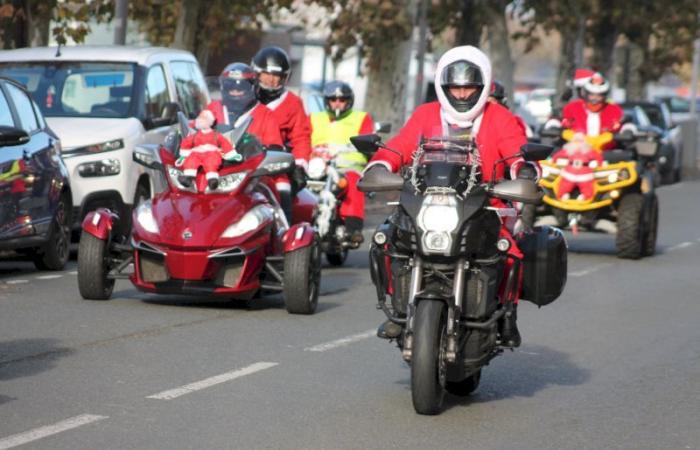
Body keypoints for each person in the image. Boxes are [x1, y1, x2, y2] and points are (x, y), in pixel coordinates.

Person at [363, 45, 535, 347]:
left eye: (469, 86)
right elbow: (401, 145)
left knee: (511, 253)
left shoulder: (500, 118)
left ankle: (508, 314)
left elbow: (515, 150)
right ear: (443, 87)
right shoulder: (425, 114)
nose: (462, 94)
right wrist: (380, 164)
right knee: (387, 240)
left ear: (482, 87)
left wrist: (524, 171)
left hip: (485, 206)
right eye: (455, 86)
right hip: (425, 202)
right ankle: (396, 308)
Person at [309, 80, 375, 244]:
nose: (337, 103)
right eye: (333, 99)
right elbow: (302, 139)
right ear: (327, 101)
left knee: (352, 181)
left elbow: (370, 141)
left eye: (342, 100)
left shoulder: (361, 118)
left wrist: (365, 147)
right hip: (317, 167)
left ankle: (353, 227)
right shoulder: (313, 118)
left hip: (347, 167)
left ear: (349, 101)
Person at [251, 46, 312, 221]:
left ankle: (283, 234)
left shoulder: (293, 103)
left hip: (275, 164)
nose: (271, 80)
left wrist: (300, 165)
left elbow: (301, 137)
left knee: (283, 193)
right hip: (244, 161)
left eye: (277, 76)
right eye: (266, 74)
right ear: (256, 73)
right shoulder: (246, 98)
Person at [177, 109, 241, 190]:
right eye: (200, 118)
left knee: (211, 162)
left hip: (211, 153)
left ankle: (212, 179)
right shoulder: (195, 135)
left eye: (204, 119)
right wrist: (184, 154)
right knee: (191, 161)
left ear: (211, 122)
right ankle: (188, 178)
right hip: (196, 153)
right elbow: (186, 143)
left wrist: (232, 155)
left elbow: (225, 143)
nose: (201, 120)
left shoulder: (216, 135)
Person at [560, 72, 623, 150]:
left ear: (605, 96)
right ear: (586, 94)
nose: (595, 99)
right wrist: (554, 126)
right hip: (576, 149)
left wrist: (627, 130)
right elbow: (563, 121)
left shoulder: (614, 109)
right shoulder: (572, 108)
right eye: (592, 95)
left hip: (605, 151)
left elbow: (620, 125)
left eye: (599, 95)